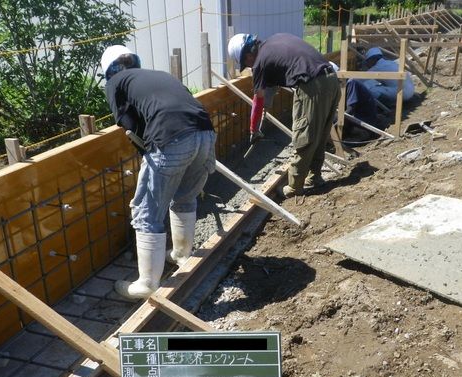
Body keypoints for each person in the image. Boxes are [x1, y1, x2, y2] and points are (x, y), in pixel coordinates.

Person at [100, 45, 216, 300]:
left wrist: (148, 154)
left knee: (146, 211)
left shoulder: (115, 82)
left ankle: (147, 283)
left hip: (171, 138)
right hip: (206, 134)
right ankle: (181, 254)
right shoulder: (158, 75)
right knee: (184, 197)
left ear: (109, 71)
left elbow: (128, 125)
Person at [227, 33, 340, 197]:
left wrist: (253, 129)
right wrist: (263, 115)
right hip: (331, 79)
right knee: (320, 135)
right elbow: (269, 91)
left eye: (246, 64)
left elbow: (258, 100)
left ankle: (294, 188)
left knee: (304, 137)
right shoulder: (275, 42)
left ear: (248, 55)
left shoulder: (259, 63)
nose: (249, 67)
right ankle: (314, 177)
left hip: (312, 86)